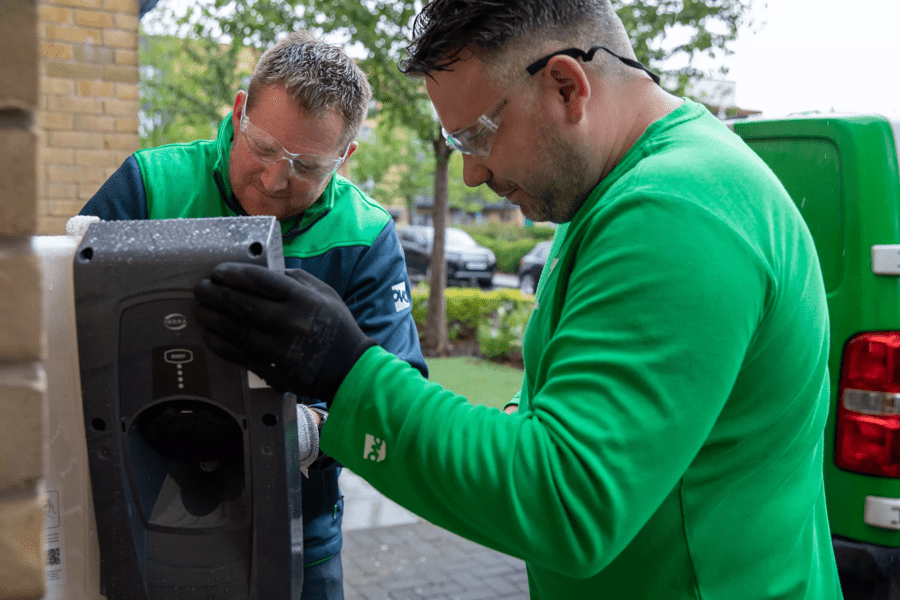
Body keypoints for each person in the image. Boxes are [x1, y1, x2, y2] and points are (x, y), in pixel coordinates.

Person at [192, 1, 843, 598]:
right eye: (456, 146)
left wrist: (345, 368)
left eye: (476, 135)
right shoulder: (614, 196)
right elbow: (555, 416)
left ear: (567, 86)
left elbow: (567, 502)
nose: (471, 171)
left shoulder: (672, 210)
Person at [79, 30, 427, 599]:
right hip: (143, 502)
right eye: (264, 148)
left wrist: (305, 433)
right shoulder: (150, 184)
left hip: (301, 522)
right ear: (240, 111)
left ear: (346, 157)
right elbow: (67, 324)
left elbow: (400, 390)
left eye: (307, 167)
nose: (274, 180)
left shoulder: (366, 235)